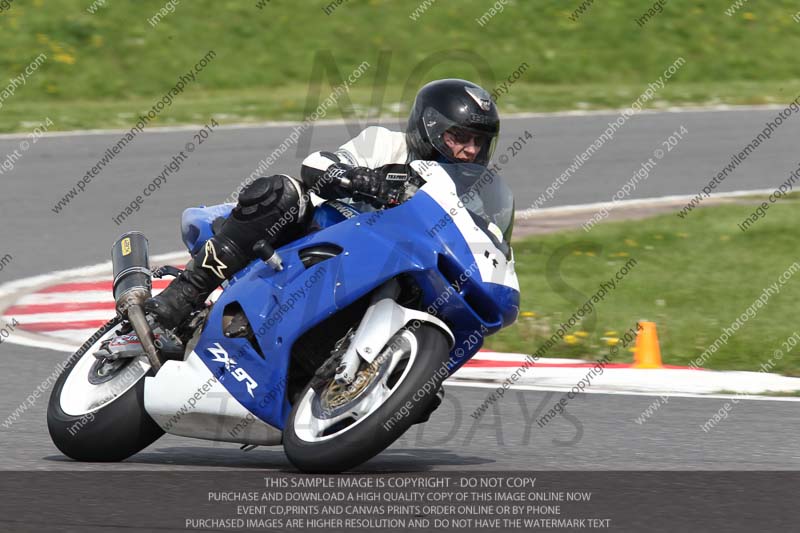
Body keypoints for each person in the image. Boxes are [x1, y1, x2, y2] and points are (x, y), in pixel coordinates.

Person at [145, 78, 500, 328]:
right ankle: (184, 295)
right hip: (314, 241)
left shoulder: (472, 195)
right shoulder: (386, 144)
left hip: (380, 271)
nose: (470, 150)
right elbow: (317, 164)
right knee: (283, 193)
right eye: (459, 137)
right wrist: (360, 180)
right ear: (431, 127)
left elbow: (486, 243)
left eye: (479, 142)